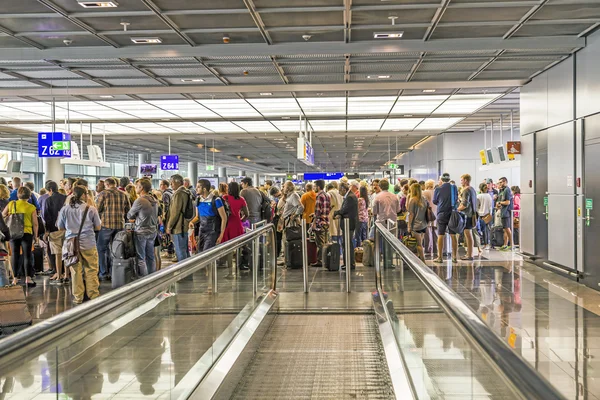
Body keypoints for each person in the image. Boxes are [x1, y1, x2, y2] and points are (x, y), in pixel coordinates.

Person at [57, 186, 102, 304]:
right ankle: (93, 295)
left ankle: (78, 297)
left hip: (71, 244)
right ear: (83, 195)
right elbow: (98, 227)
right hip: (88, 243)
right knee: (91, 269)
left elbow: (60, 227)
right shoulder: (91, 209)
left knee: (76, 271)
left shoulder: (65, 209)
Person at [96, 177, 131, 281]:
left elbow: (97, 209)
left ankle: (103, 272)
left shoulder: (103, 194)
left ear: (106, 185)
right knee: (116, 250)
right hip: (119, 226)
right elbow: (128, 211)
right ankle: (114, 271)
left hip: (106, 225)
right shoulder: (123, 195)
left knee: (101, 249)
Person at [2, 186, 38, 287]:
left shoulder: (11, 204)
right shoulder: (31, 207)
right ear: (29, 196)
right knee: (27, 255)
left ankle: (15, 279)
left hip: (13, 232)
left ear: (18, 195)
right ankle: (28, 278)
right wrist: (36, 236)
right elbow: (35, 223)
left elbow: (3, 215)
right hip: (27, 233)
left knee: (15, 255)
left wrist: (10, 215)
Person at [128, 178, 159, 276]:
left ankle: (144, 280)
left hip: (141, 231)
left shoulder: (140, 200)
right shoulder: (154, 199)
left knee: (141, 258)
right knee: (151, 256)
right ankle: (152, 277)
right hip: (153, 230)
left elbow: (129, 215)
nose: (136, 188)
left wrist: (134, 217)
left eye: (137, 186)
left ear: (141, 188)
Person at [189, 179, 227, 252]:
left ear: (204, 189)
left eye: (198, 187)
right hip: (202, 230)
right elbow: (198, 217)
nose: (196, 189)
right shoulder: (198, 200)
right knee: (200, 252)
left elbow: (224, 218)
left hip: (212, 231)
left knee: (207, 253)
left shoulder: (216, 200)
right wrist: (192, 222)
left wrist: (221, 234)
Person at [43, 181, 68, 285]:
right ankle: (66, 274)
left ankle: (58, 275)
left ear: (50, 190)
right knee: (66, 253)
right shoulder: (66, 198)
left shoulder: (48, 200)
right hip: (67, 229)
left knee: (58, 254)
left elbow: (46, 216)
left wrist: (47, 231)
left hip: (54, 230)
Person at [433, 173, 459, 263]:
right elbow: (456, 198)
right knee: (453, 235)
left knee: (440, 235)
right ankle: (454, 257)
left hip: (441, 213)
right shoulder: (454, 187)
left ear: (441, 180)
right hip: (452, 213)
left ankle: (440, 257)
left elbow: (435, 201)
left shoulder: (438, 189)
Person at [167, 174, 193, 261]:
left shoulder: (178, 194)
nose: (171, 184)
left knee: (180, 251)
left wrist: (169, 226)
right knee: (185, 250)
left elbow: (175, 212)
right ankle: (188, 273)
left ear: (178, 182)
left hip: (178, 227)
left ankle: (183, 272)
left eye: (172, 182)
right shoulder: (187, 192)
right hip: (184, 225)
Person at [334, 181, 358, 270]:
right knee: (347, 243)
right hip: (349, 224)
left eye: (339, 191)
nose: (339, 193)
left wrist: (335, 213)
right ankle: (348, 263)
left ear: (343, 189)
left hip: (349, 224)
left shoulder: (350, 198)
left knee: (347, 244)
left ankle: (349, 264)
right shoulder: (350, 196)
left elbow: (344, 210)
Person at [457, 174, 478, 260]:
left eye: (461, 180)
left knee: (468, 235)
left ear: (465, 180)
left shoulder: (466, 190)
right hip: (472, 214)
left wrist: (457, 209)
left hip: (467, 215)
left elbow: (464, 204)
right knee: (469, 235)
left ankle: (469, 255)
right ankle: (470, 254)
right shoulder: (472, 189)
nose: (461, 182)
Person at [311, 179, 330, 267]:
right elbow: (326, 209)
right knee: (325, 242)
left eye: (315, 186)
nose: (314, 188)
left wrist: (314, 223)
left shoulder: (319, 196)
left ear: (318, 187)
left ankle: (320, 260)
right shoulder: (327, 195)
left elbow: (318, 212)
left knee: (320, 243)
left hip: (320, 223)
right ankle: (325, 259)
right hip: (326, 221)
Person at [407, 183, 428, 261]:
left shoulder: (413, 200)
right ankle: (420, 258)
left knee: (419, 244)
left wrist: (409, 226)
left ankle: (423, 260)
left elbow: (411, 214)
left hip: (415, 225)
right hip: (424, 224)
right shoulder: (424, 199)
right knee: (421, 242)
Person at [496, 177, 514, 250]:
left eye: (501, 182)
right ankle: (505, 244)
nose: (500, 184)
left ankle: (512, 245)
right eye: (499, 182)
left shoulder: (507, 190)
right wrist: (498, 204)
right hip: (502, 212)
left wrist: (500, 202)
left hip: (506, 213)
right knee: (505, 229)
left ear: (505, 182)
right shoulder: (501, 191)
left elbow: (507, 202)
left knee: (507, 229)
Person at [422, 179, 438, 258]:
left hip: (427, 214)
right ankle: (436, 249)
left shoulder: (424, 192)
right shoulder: (437, 192)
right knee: (435, 232)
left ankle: (428, 250)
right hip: (436, 214)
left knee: (428, 232)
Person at [327, 182, 344, 250]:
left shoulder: (329, 193)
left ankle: (336, 252)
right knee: (340, 235)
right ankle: (340, 252)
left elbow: (328, 205)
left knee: (333, 234)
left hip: (332, 215)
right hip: (340, 215)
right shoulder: (339, 192)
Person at [477, 182, 493, 249]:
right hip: (488, 215)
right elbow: (490, 206)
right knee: (486, 230)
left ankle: (479, 244)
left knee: (479, 230)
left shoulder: (478, 196)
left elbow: (477, 206)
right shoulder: (489, 196)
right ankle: (487, 244)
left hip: (480, 215)